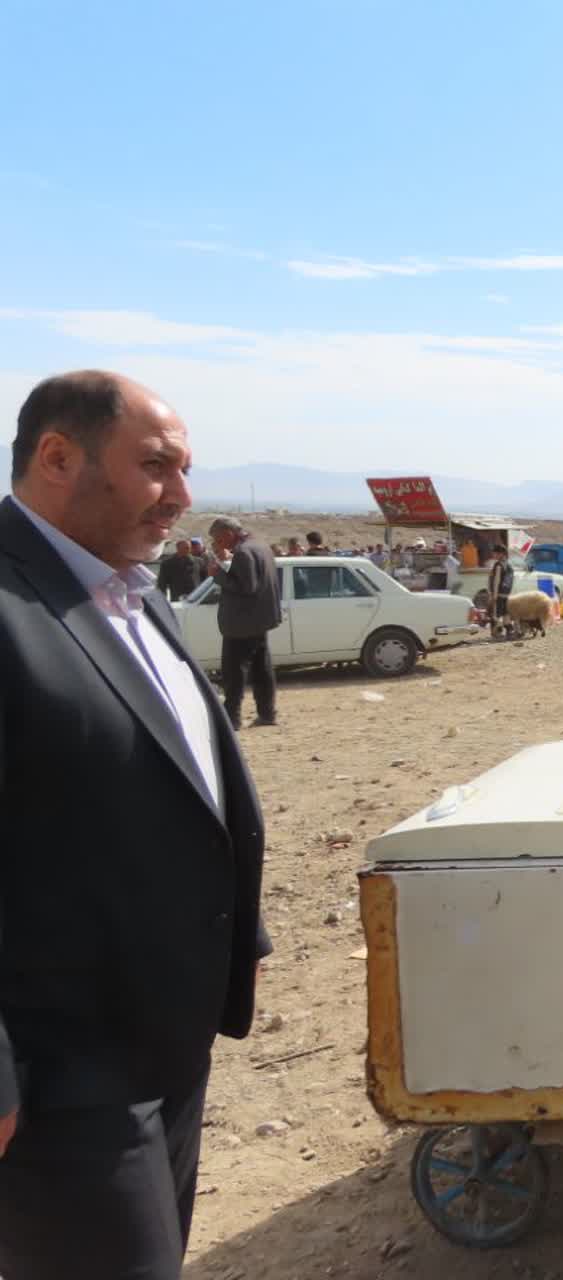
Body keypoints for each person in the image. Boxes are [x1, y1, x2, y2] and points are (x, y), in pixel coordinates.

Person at [0, 371, 271, 1279]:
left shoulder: (134, 590)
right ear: (56, 458)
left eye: (184, 469)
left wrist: (241, 936)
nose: (183, 497)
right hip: (59, 1076)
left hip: (168, 1046)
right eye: (156, 466)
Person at [205, 515, 283, 729]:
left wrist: (218, 575)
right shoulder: (259, 546)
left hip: (241, 624)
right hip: (259, 619)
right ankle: (267, 713)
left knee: (234, 673)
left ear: (229, 534)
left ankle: (232, 718)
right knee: (261, 668)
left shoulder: (244, 552)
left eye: (219, 540)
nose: (218, 545)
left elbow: (247, 586)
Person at [485, 552, 514, 638]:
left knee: (496, 614)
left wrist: (494, 594)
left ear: (501, 554)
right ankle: (510, 630)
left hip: (499, 593)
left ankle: (498, 632)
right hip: (506, 593)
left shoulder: (498, 565)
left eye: (496, 553)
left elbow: (496, 581)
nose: (494, 555)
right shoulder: (509, 567)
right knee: (505, 613)